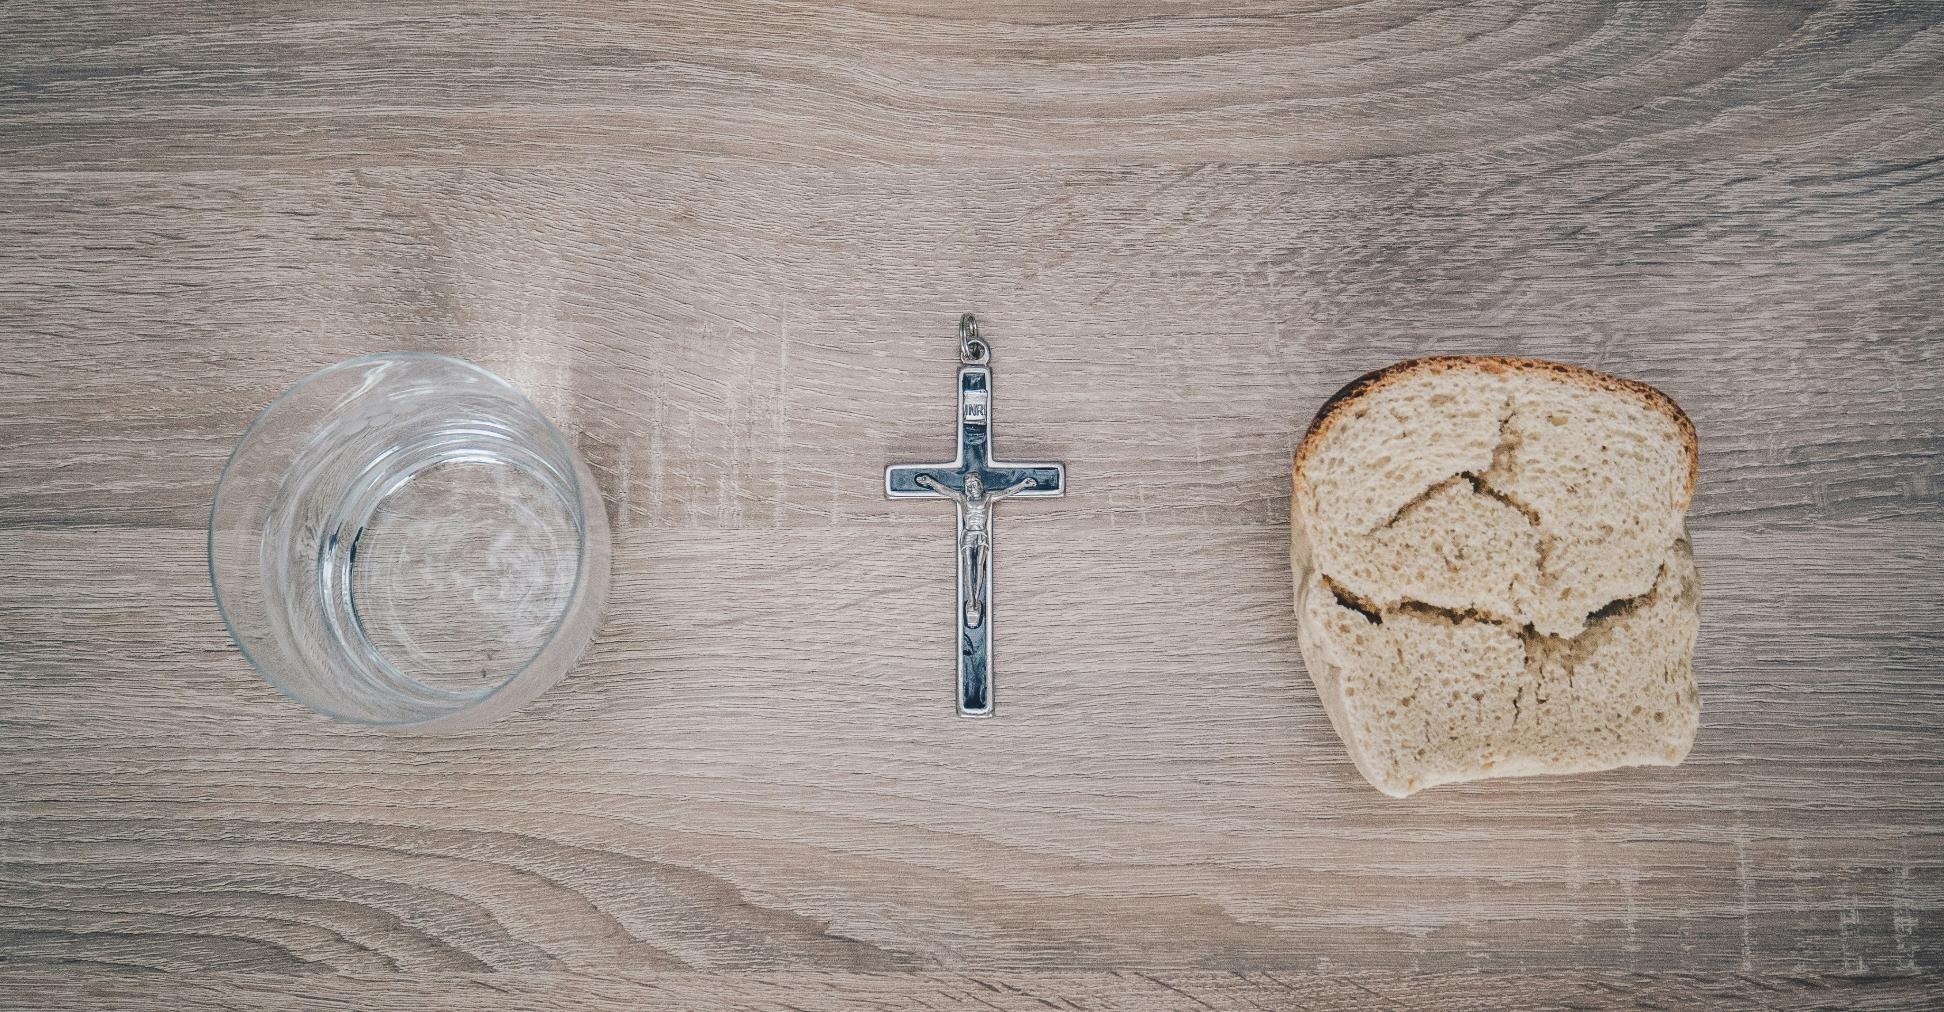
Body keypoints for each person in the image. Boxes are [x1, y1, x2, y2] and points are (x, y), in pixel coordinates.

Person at [913, 472, 1038, 628]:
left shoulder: (987, 498)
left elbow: (1005, 492)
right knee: (968, 566)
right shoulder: (963, 499)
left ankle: (975, 601)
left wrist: (1022, 485)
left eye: (975, 485)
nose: (973, 488)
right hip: (968, 534)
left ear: (980, 485)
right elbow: (945, 490)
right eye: (970, 486)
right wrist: (930, 481)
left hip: (981, 534)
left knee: (979, 565)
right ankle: (971, 600)